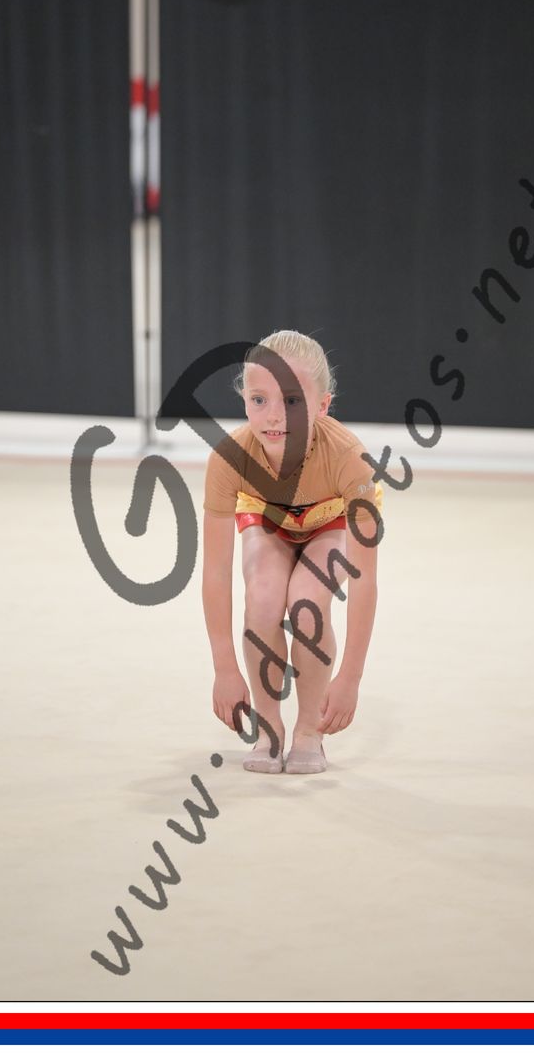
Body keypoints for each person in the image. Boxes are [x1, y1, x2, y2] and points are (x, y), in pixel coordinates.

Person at [202, 329, 383, 774]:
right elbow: (216, 572)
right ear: (244, 400)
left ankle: (307, 731)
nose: (274, 416)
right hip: (267, 517)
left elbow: (365, 582)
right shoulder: (229, 458)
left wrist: (350, 678)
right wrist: (225, 668)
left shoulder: (349, 458)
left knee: (307, 604)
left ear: (323, 405)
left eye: (293, 401)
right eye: (259, 399)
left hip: (330, 519)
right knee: (263, 597)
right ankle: (269, 728)